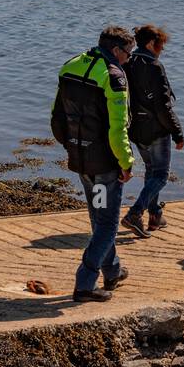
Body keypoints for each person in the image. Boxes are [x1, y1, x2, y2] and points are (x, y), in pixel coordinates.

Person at [50, 26, 135, 302]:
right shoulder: (114, 77)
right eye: (128, 53)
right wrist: (126, 161)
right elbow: (117, 128)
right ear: (115, 50)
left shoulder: (70, 65)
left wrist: (69, 146)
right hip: (105, 163)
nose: (128, 59)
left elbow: (57, 117)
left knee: (98, 217)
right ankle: (85, 283)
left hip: (80, 158)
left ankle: (112, 270)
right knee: (108, 224)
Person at [121, 24, 184, 238]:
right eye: (160, 45)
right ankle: (135, 213)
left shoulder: (128, 63)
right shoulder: (154, 66)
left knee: (151, 172)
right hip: (155, 129)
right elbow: (163, 106)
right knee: (161, 175)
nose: (162, 49)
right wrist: (177, 132)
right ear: (151, 43)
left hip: (136, 128)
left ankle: (155, 214)